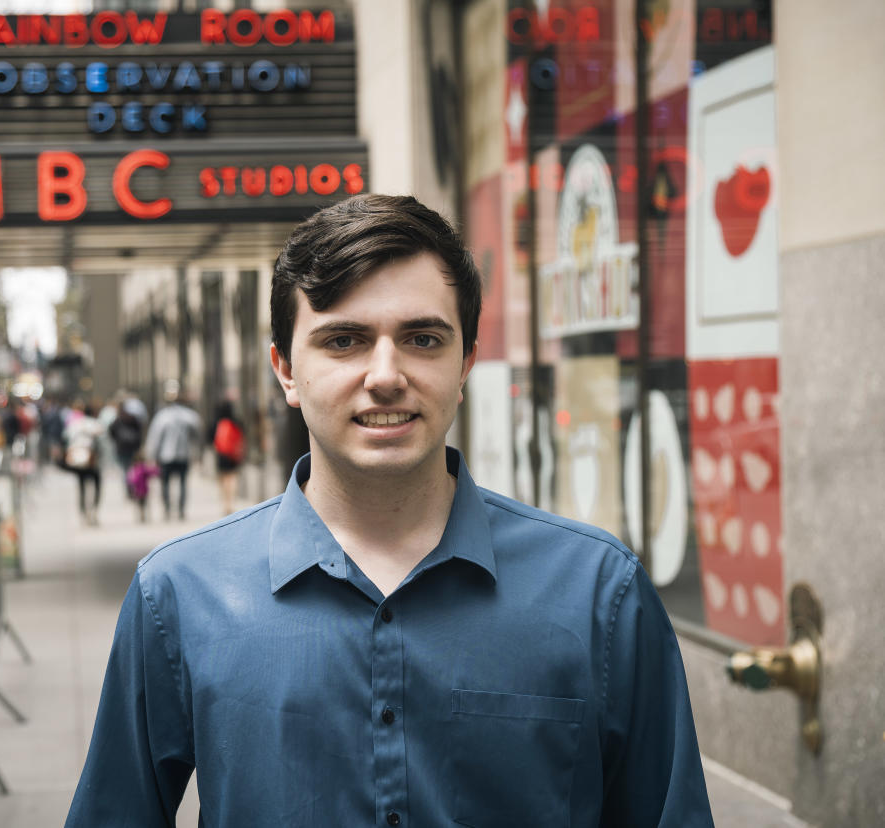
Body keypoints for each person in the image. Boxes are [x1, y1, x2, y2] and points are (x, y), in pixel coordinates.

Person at [66, 195, 712, 826]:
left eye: (422, 338)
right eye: (343, 340)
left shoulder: (600, 594)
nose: (384, 375)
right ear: (286, 370)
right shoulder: (177, 596)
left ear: (465, 365)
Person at [143, 379, 202, 520]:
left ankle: (168, 508)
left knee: (167, 483)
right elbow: (197, 430)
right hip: (182, 454)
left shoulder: (162, 416)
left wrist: (151, 454)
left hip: (167, 455)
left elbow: (154, 437)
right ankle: (180, 509)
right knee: (181, 482)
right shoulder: (188, 415)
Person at [61, 399, 104, 526]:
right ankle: (94, 510)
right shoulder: (95, 424)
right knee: (96, 486)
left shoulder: (75, 424)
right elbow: (102, 440)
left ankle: (83, 512)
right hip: (92, 460)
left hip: (78, 459)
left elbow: (65, 437)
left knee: (81, 487)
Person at [209, 398, 246, 515]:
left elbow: (210, 439)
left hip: (221, 454)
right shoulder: (236, 421)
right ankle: (231, 502)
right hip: (233, 454)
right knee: (232, 477)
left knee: (223, 478)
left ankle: (225, 503)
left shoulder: (216, 422)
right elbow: (242, 436)